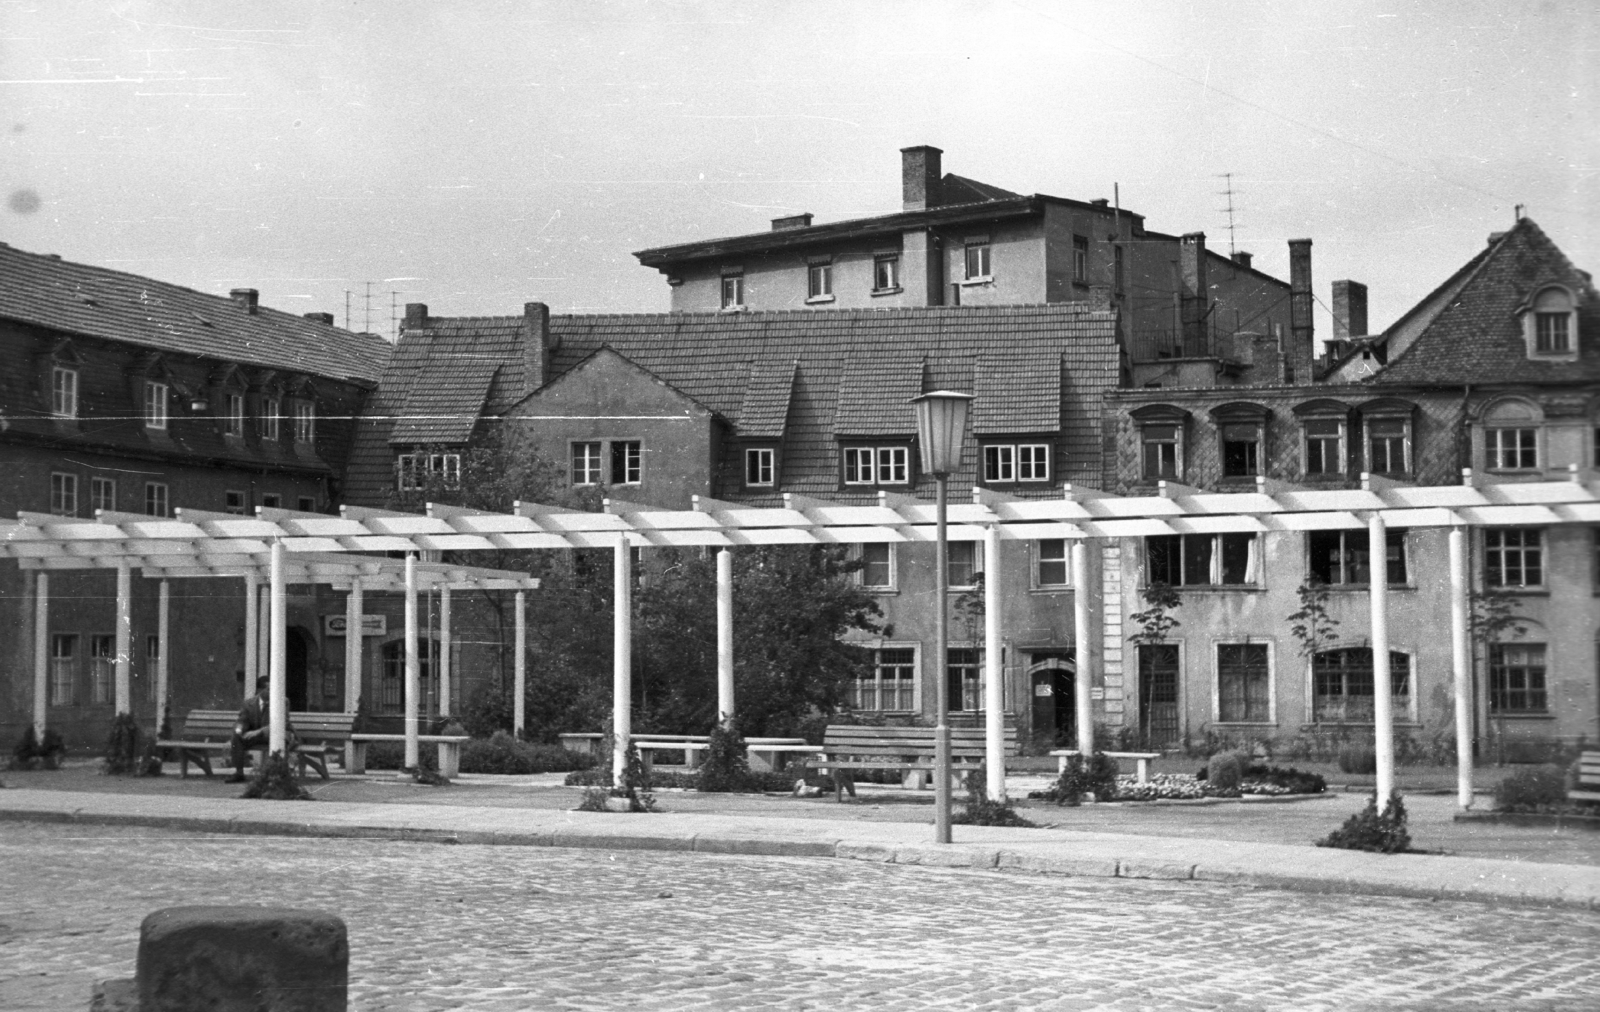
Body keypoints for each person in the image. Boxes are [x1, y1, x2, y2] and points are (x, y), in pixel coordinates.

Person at [227, 677, 295, 782]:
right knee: (236, 738)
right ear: (260, 690)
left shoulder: (282, 701)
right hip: (258, 735)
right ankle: (239, 773)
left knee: (281, 738)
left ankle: (279, 773)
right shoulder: (249, 703)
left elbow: (281, 722)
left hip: (276, 732)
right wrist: (239, 730)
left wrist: (259, 731)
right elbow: (242, 720)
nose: (273, 692)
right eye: (269, 689)